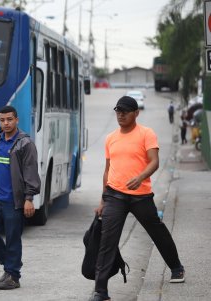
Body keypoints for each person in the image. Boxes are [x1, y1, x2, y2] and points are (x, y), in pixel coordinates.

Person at [90, 96, 185, 301]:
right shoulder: (111, 138)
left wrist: (141, 177)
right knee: (108, 240)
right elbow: (107, 171)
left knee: (157, 231)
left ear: (136, 113)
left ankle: (176, 267)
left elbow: (154, 161)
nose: (121, 114)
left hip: (140, 196)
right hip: (114, 195)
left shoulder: (146, 134)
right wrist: (102, 200)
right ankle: (101, 291)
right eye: (118, 111)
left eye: (125, 111)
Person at [0, 105, 41, 290]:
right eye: (2, 120)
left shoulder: (25, 144)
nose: (6, 123)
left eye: (9, 119)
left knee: (13, 238)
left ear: (17, 120)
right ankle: (11, 265)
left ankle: (13, 276)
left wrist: (29, 198)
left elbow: (31, 172)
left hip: (14, 201)